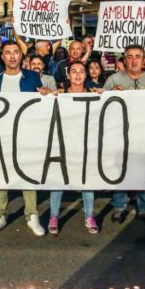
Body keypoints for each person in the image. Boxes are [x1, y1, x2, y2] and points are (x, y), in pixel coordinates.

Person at [0, 41, 50, 237]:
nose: (12, 56)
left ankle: (32, 215)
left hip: (26, 135)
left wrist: (44, 94)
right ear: (2, 57)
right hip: (0, 135)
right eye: (8, 53)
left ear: (22, 56)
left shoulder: (32, 77)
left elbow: (40, 105)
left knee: (27, 173)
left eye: (16, 52)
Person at [103, 45, 145, 223]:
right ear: (124, 60)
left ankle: (143, 207)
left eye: (138, 56)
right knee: (121, 170)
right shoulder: (113, 79)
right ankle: (119, 206)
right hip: (120, 134)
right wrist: (109, 95)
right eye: (130, 56)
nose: (134, 60)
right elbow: (101, 104)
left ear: (144, 60)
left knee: (144, 171)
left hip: (144, 134)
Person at [48, 61, 99, 235]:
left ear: (86, 75)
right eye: (74, 72)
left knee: (87, 182)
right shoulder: (60, 94)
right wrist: (48, 95)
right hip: (63, 143)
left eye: (82, 72)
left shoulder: (93, 93)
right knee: (58, 180)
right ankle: (53, 216)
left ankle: (89, 215)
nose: (78, 75)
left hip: (86, 144)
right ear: (68, 75)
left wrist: (103, 95)